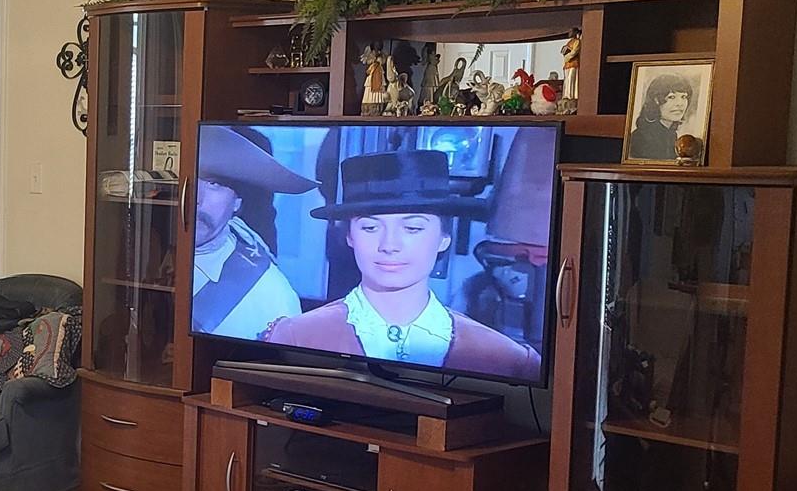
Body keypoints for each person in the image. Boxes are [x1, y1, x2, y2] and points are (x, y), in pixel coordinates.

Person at [264, 149, 540, 381]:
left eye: (413, 228)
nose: (389, 244)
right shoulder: (295, 336)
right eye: (371, 227)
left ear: (445, 237)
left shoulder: (506, 358)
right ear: (349, 236)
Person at [191, 126, 317, 339]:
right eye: (190, 179)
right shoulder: (142, 255)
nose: (196, 198)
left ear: (238, 201)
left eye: (215, 184)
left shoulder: (271, 296)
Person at [627, 73, 696, 162]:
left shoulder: (671, 134)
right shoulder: (641, 137)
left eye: (683, 97)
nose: (680, 103)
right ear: (656, 100)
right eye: (672, 97)